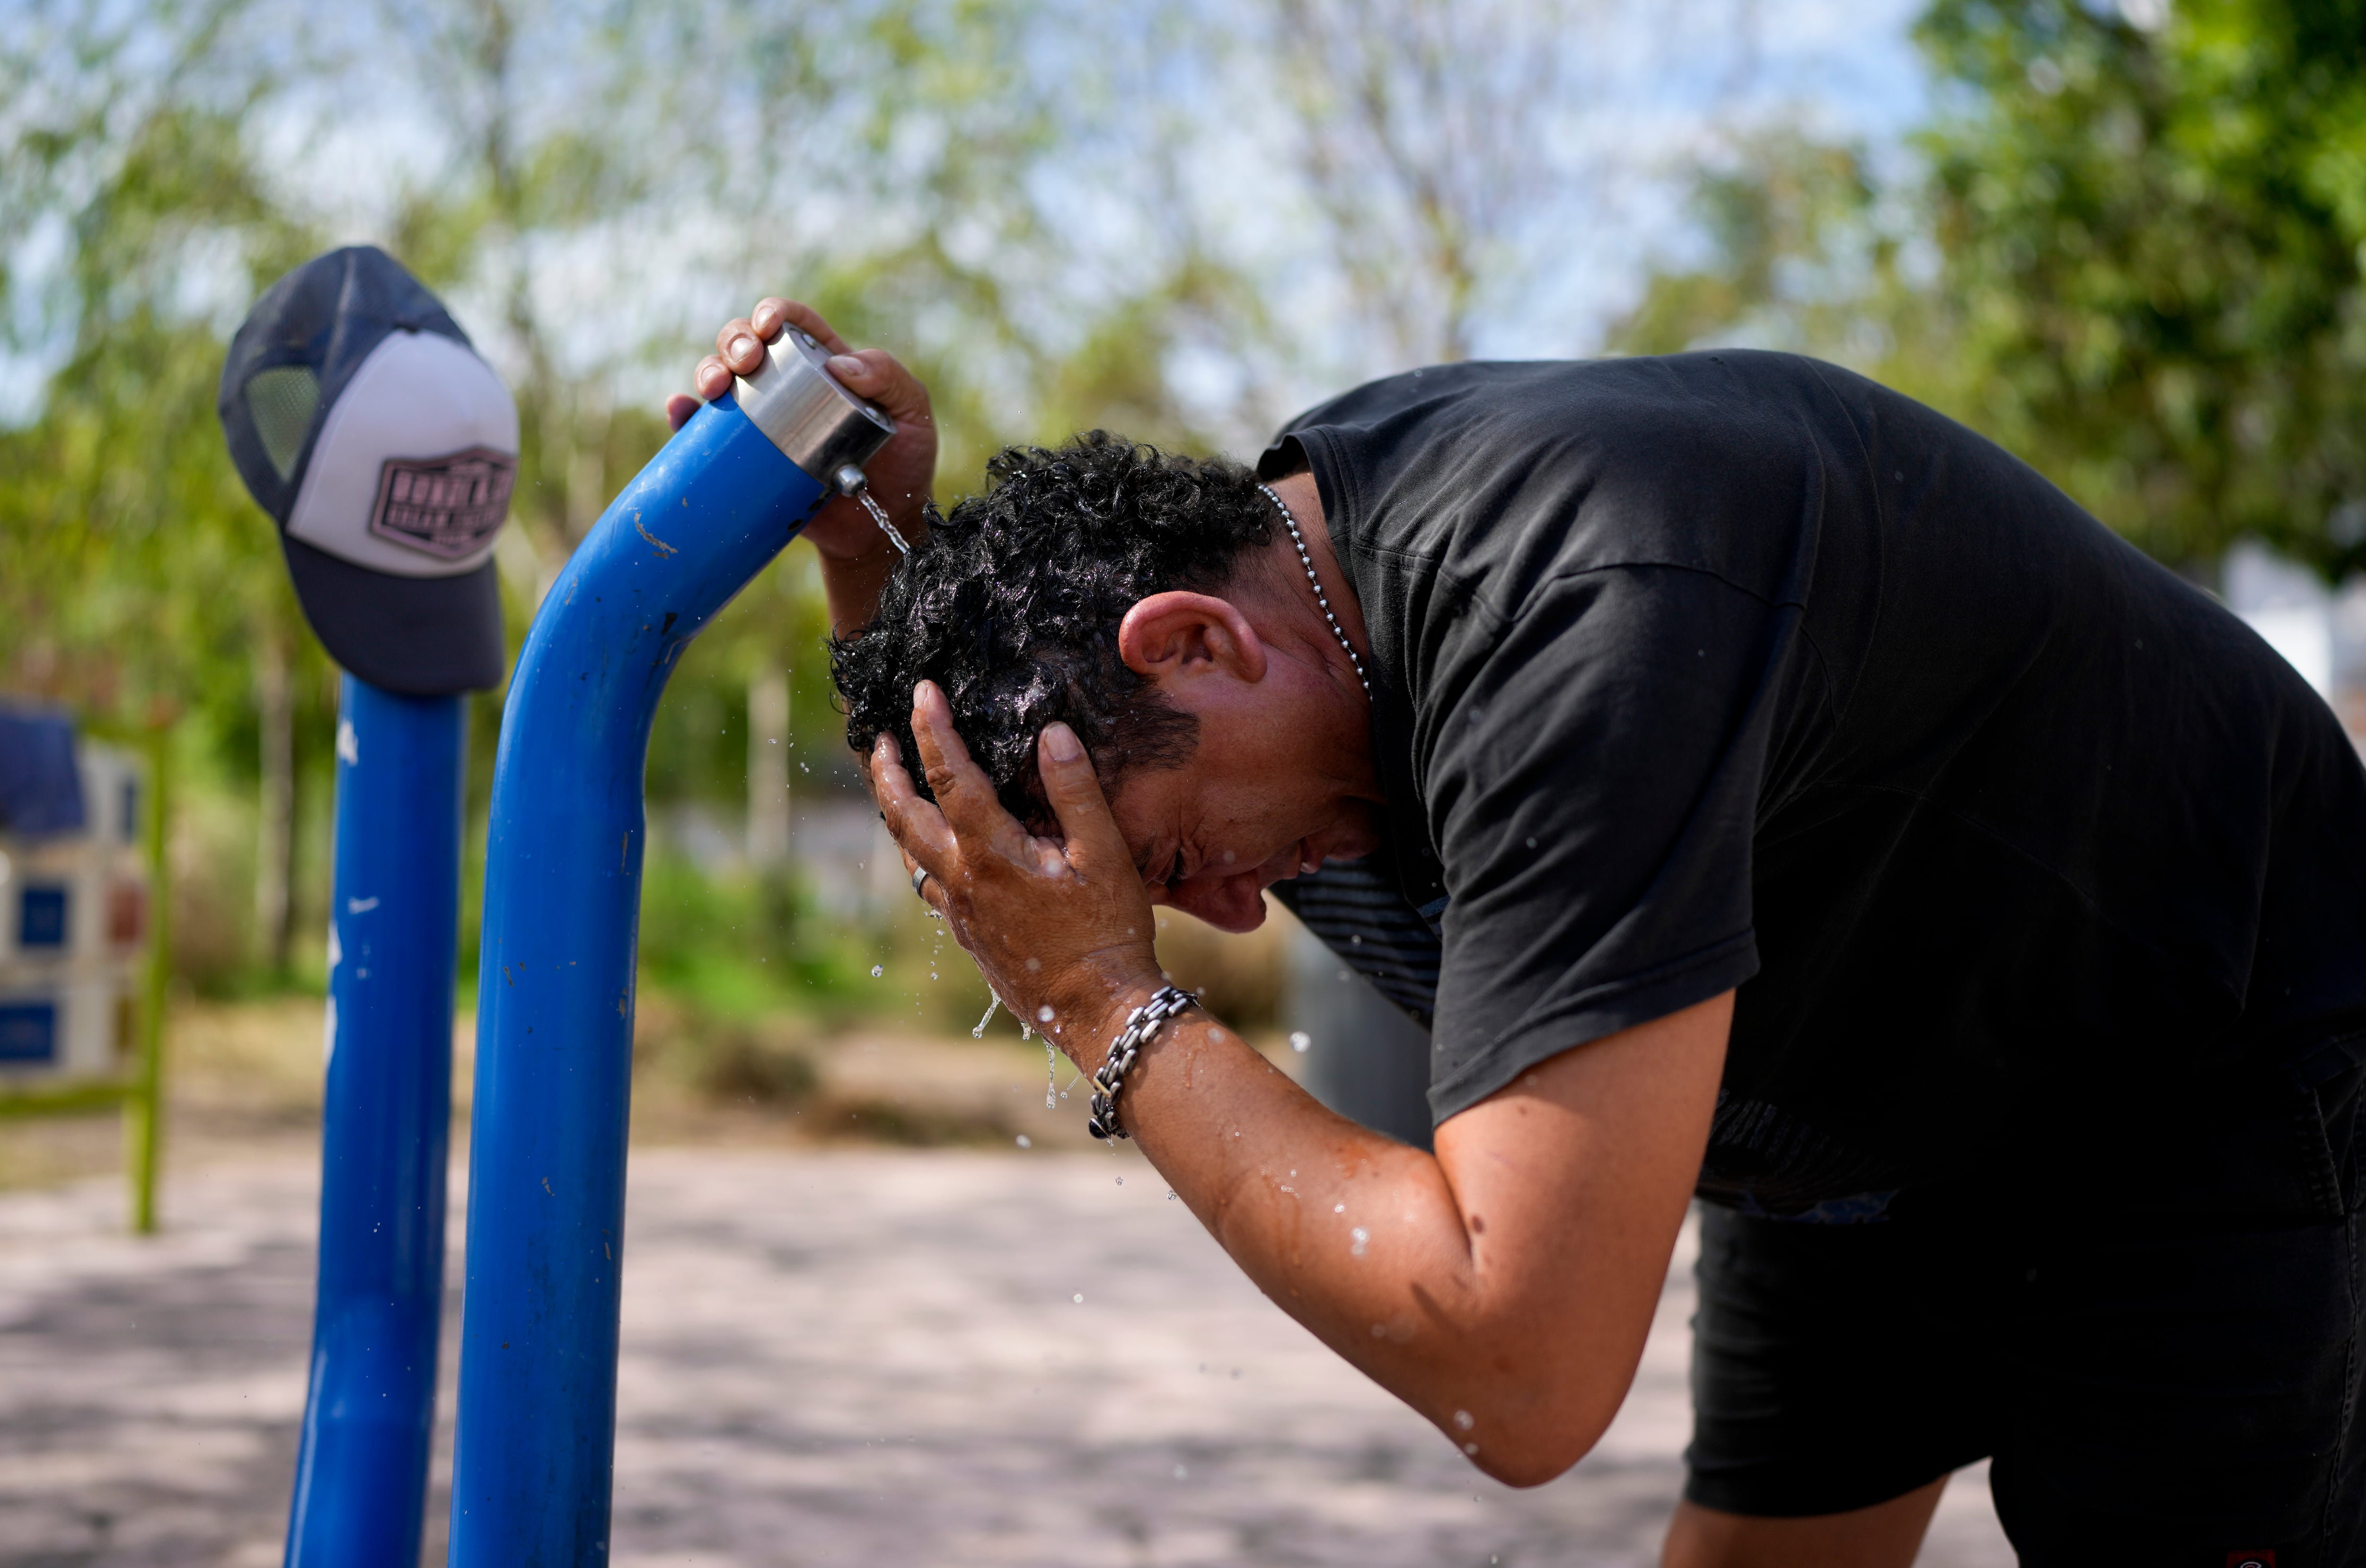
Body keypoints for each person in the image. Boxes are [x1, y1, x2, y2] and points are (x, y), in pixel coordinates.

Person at [668, 300, 2366, 1567]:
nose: (1246, 911)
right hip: (1863, 1069)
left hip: (2198, 1063)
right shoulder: (1271, 636)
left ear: (1195, 643)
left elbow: (1519, 1367)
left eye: (1188, 857)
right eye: (1180, 901)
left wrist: (1115, 1007)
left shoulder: (1572, 622)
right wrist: (869, 551)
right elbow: (1019, 844)